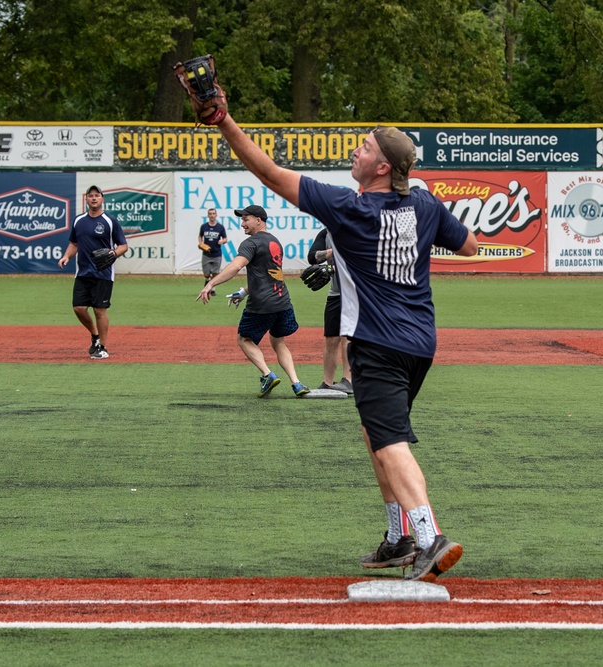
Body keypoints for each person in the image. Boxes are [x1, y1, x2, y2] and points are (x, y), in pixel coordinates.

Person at [193, 96, 478, 580]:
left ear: (382, 166)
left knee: (389, 441)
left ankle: (430, 538)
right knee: (376, 432)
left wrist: (222, 120)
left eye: (364, 148)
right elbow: (469, 245)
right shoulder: (424, 202)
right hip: (419, 342)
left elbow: (269, 172)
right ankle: (398, 536)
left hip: (376, 341)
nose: (355, 151)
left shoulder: (350, 207)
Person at [196, 205, 310, 398]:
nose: (242, 224)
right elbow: (270, 276)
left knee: (244, 339)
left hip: (262, 304)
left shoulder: (250, 243)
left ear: (259, 220)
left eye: (246, 219)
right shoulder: (275, 241)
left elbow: (235, 266)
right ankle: (296, 383)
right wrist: (242, 292)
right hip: (283, 302)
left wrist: (211, 284)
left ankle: (267, 374)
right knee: (278, 341)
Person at [58, 185, 129, 359]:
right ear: (86, 199)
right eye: (90, 196)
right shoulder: (79, 221)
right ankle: (95, 335)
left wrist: (113, 253)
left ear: (102, 199)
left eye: (97, 195)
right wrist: (66, 256)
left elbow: (123, 246)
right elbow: (74, 243)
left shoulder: (110, 221)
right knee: (79, 308)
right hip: (83, 272)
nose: (94, 198)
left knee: (99, 310)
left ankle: (103, 347)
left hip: (103, 273)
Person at [307, 228, 352, 394]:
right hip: (335, 293)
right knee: (331, 337)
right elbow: (312, 257)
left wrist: (332, 260)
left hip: (355, 293)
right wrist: (332, 254)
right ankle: (327, 382)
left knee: (347, 336)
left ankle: (349, 380)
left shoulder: (357, 229)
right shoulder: (326, 233)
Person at [197, 208, 228, 296]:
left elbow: (225, 238)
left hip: (217, 253)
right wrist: (201, 243)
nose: (212, 215)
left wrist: (222, 241)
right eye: (210, 214)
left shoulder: (220, 227)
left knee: (215, 273)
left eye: (213, 213)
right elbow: (200, 236)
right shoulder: (204, 226)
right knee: (206, 274)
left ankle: (212, 289)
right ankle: (207, 280)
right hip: (206, 254)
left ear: (216, 215)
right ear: (208, 215)